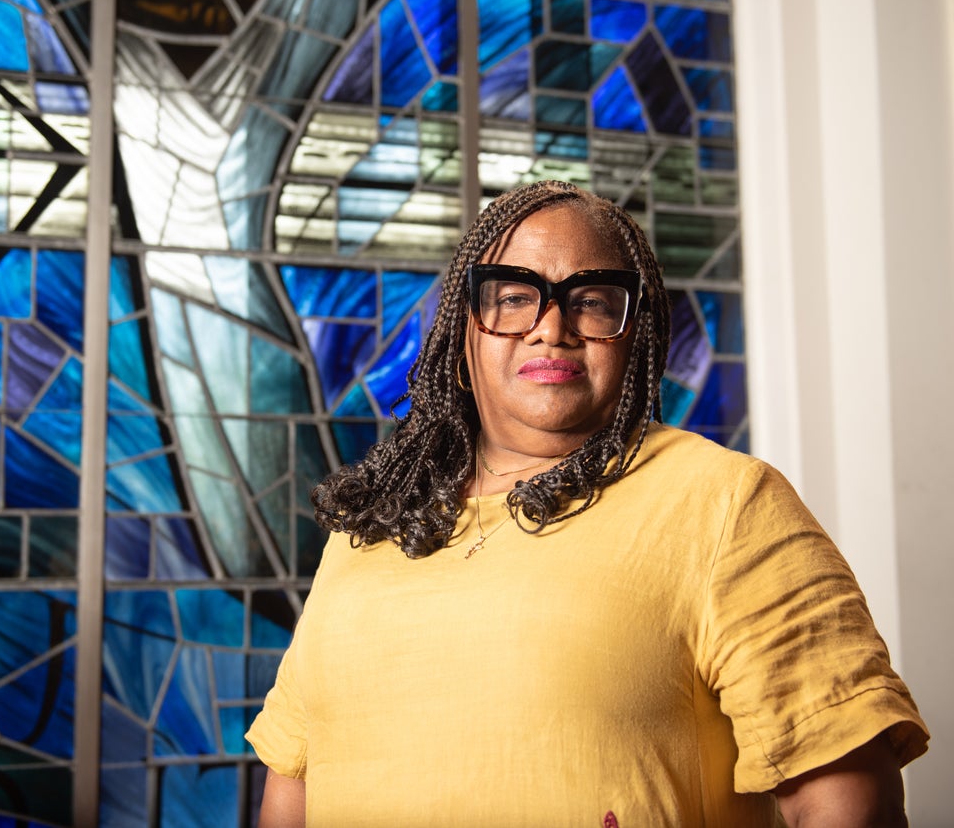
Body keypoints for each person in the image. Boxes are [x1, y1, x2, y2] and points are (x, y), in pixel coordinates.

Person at [244, 180, 928, 826]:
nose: (551, 326)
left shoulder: (725, 504)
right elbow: (291, 794)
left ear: (639, 341)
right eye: (513, 297)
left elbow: (850, 803)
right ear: (462, 336)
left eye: (593, 300)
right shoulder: (373, 530)